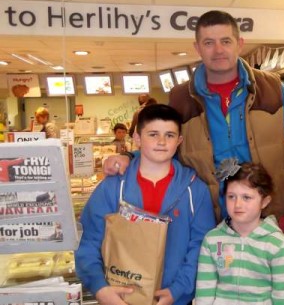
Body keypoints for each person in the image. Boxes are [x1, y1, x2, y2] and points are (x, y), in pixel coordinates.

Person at [105, 10, 284, 226]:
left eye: (226, 41)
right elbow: (162, 144)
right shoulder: (181, 99)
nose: (218, 50)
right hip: (210, 226)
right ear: (197, 48)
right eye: (208, 43)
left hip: (271, 220)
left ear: (239, 43)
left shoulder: (272, 89)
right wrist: (130, 158)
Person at [75, 104, 216, 305]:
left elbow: (201, 246)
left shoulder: (195, 189)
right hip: (119, 297)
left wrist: (178, 291)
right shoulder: (113, 187)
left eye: (169, 135)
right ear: (138, 139)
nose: (161, 142)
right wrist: (100, 288)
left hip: (173, 297)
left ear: (179, 141)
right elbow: (89, 241)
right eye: (152, 134)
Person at [196, 161, 284, 304]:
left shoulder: (277, 244)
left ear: (264, 201)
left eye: (246, 197)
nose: (238, 204)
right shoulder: (212, 240)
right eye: (231, 196)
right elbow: (204, 292)